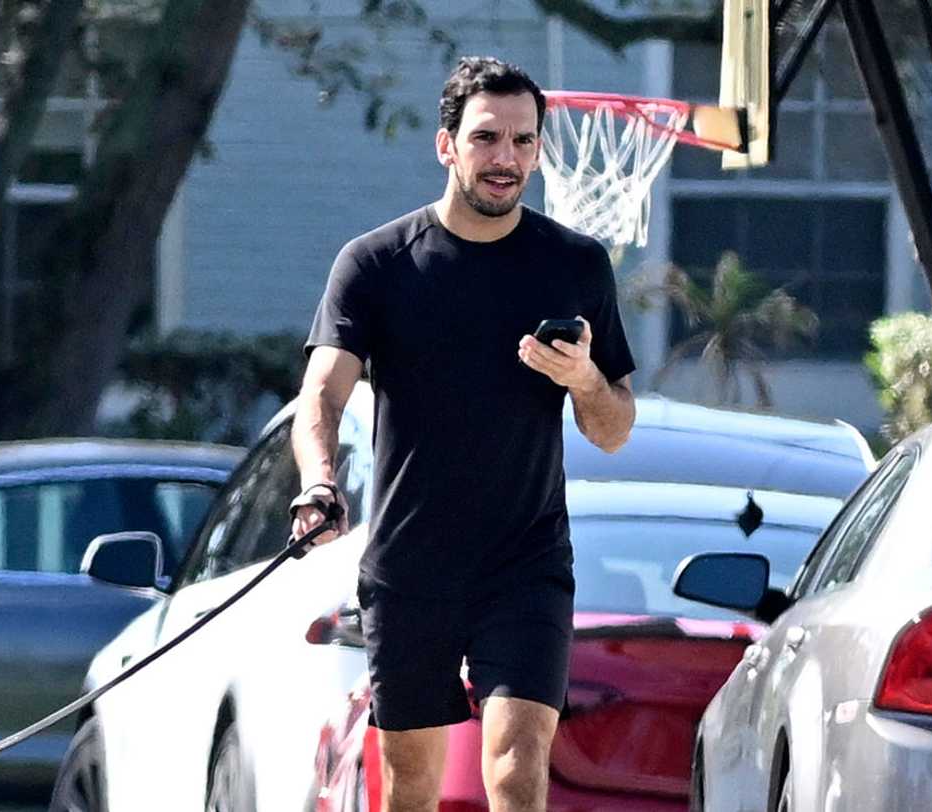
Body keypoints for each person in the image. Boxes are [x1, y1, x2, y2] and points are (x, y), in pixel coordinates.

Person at [291, 56, 636, 812]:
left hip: (526, 563)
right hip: (411, 566)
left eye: (522, 140)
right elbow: (322, 390)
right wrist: (320, 482)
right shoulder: (376, 264)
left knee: (516, 767)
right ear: (446, 146)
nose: (506, 159)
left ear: (540, 148)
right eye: (486, 139)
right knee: (411, 783)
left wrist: (581, 377)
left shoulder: (574, 265)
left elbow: (613, 428)